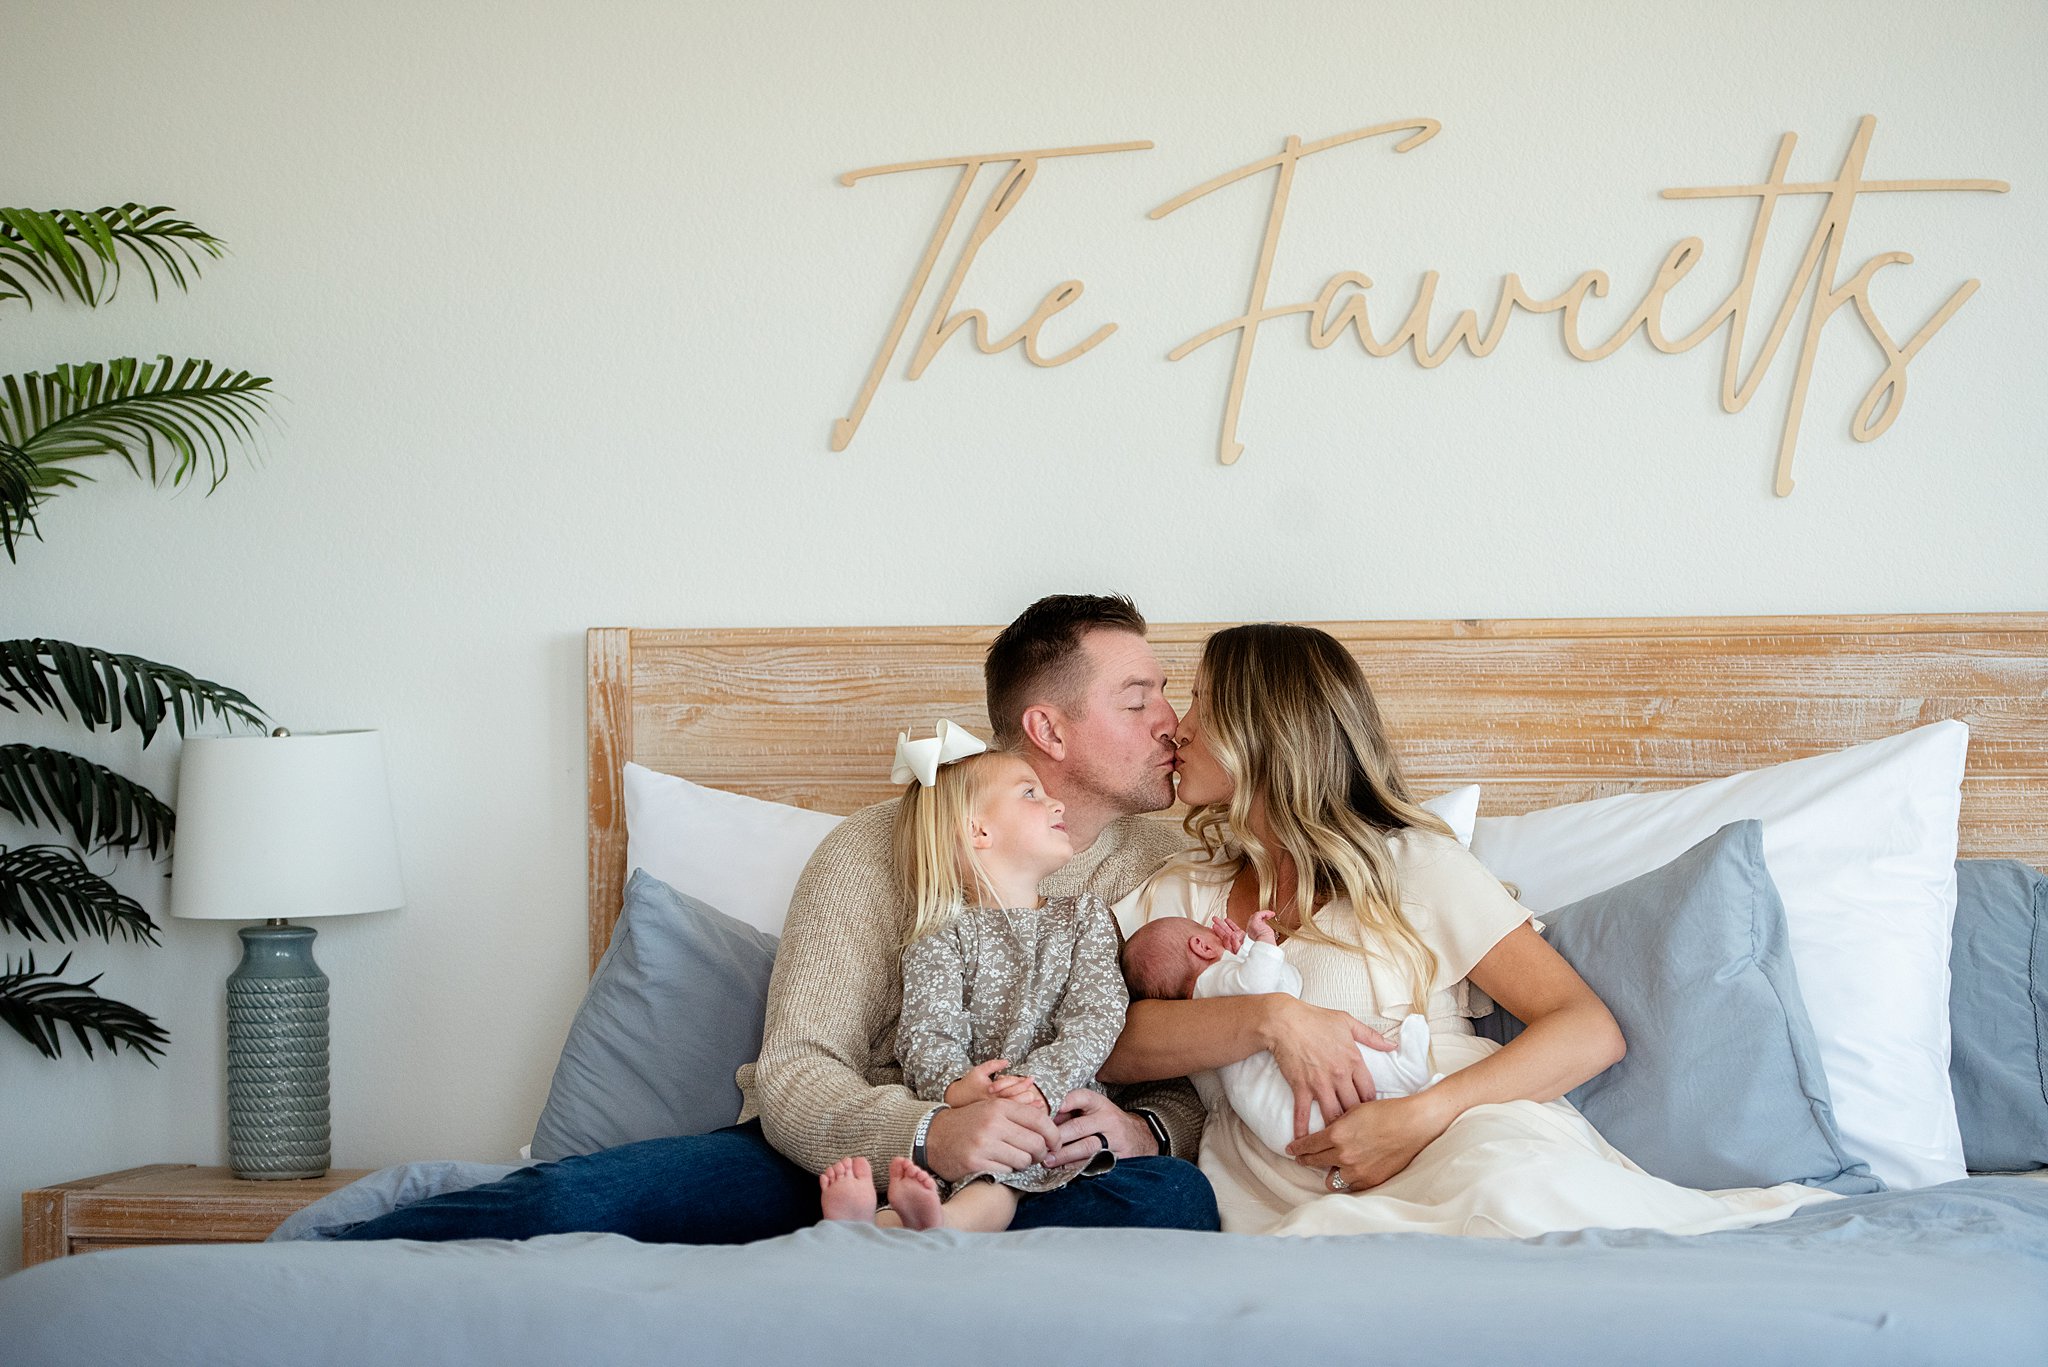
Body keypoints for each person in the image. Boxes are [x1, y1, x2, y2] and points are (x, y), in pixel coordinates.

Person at [338, 594, 1219, 1244]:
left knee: (1179, 1203)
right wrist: (930, 1132)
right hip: (836, 1162)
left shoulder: (1171, 867)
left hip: (1053, 1177)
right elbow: (798, 1069)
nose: (1172, 723)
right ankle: (335, 1254)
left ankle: (929, 1249)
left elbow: (1187, 1077)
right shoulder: (877, 847)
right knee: (566, 1206)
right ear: (1049, 729)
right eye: (1138, 699)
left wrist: (1145, 1130)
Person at [1103, 622, 1839, 1238]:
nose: (1180, 725)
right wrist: (1271, 1018)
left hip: (1453, 1137)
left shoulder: (1413, 866)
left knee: (1510, 1204)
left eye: (1202, 702)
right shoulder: (1176, 895)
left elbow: (1587, 1028)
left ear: (1268, 730)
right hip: (1272, 1181)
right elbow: (1116, 1043)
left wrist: (1419, 1118)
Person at [819, 727, 1123, 1231]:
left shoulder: (1084, 919)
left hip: (1051, 1111)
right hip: (965, 1117)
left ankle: (905, 1228)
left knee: (1000, 1176)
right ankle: (893, 1220)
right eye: (1031, 793)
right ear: (978, 831)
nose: (1055, 803)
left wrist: (1039, 1085)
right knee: (955, 1162)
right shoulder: (940, 932)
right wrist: (960, 1091)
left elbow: (1098, 1014)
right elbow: (925, 1032)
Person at [1121, 909, 1437, 1158]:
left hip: (1276, 1124)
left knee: (1347, 1106)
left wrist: (1247, 952)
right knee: (1350, 1055)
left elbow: (1285, 986)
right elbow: (1264, 989)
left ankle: (1399, 1095)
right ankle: (1406, 1071)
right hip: (1286, 1097)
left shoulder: (1207, 1007)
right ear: (1201, 946)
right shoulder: (1212, 983)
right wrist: (1260, 942)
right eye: (1207, 932)